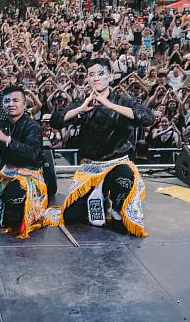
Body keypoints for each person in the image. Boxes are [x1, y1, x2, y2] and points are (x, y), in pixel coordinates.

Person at [49, 58, 154, 236]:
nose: (96, 78)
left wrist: (110, 105)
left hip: (117, 163)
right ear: (88, 79)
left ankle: (117, 213)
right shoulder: (84, 102)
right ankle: (101, 198)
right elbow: (56, 120)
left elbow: (147, 118)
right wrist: (80, 110)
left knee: (124, 177)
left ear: (110, 76)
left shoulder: (123, 101)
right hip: (91, 167)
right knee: (72, 215)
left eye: (100, 74)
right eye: (91, 75)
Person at [0, 85, 57, 238]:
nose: (11, 104)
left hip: (28, 176)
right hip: (7, 174)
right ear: (3, 104)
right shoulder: (2, 126)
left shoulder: (33, 126)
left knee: (14, 212)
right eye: (7, 101)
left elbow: (32, 154)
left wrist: (6, 139)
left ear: (24, 104)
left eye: (15, 100)